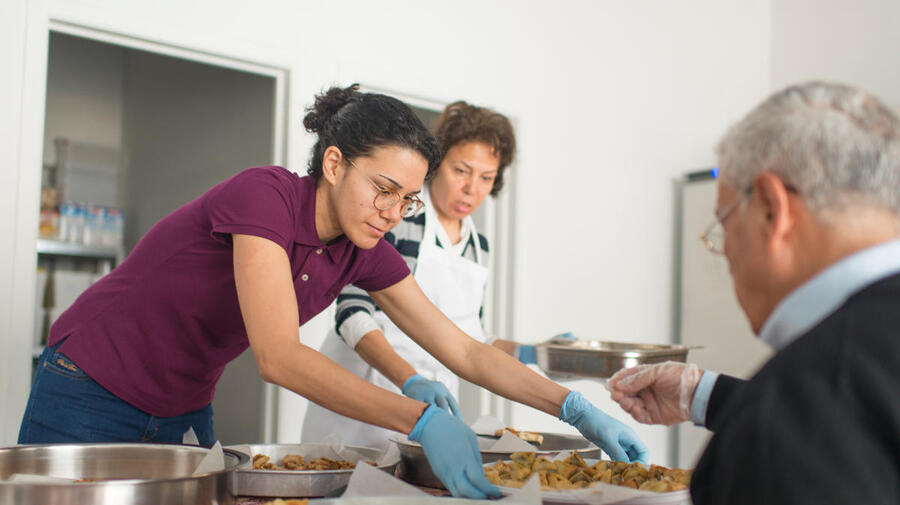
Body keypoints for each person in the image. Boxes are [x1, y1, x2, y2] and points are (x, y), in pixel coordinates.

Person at [19, 84, 646, 499]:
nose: (393, 211)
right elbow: (279, 357)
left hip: (183, 405)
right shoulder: (262, 195)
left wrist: (574, 409)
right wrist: (420, 417)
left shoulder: (362, 247)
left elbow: (466, 351)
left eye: (407, 198)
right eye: (383, 188)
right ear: (335, 163)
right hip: (90, 382)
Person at [608, 81, 900, 504]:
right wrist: (701, 394)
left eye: (723, 223)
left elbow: (817, 421)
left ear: (770, 207)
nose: (724, 250)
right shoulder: (841, 379)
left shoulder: (797, 405)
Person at [302, 101, 575, 449]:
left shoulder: (479, 246)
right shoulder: (398, 218)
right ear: (436, 164)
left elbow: (470, 337)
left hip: (429, 412)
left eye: (486, 178)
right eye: (462, 171)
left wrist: (534, 353)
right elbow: (352, 311)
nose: (472, 188)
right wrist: (409, 380)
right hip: (360, 405)